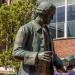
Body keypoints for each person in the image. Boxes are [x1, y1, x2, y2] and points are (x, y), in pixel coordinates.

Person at [13, 1, 66, 75]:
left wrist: (60, 64)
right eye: (51, 15)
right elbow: (16, 52)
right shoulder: (25, 29)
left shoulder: (48, 31)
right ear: (43, 13)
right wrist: (37, 56)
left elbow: (52, 54)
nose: (52, 18)